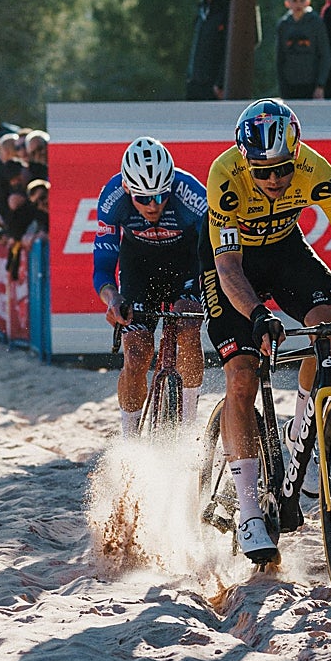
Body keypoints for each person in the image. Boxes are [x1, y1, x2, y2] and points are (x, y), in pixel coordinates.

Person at [200, 99, 331, 563]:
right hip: (232, 264)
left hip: (285, 249)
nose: (274, 180)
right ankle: (251, 513)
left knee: (329, 327)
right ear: (245, 160)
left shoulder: (317, 170)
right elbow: (229, 267)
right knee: (242, 374)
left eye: (282, 169)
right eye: (263, 171)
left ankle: (301, 433)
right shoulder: (225, 175)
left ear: (297, 153)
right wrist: (256, 313)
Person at [93, 137, 208, 439]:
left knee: (189, 328)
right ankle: (130, 441)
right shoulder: (112, 197)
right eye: (143, 198)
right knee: (136, 354)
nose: (153, 205)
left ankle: (188, 431)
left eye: (160, 195)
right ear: (129, 190)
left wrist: (200, 293)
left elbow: (213, 255)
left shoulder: (192, 194)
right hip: (138, 267)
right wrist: (113, 299)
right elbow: (103, 267)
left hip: (186, 263)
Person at [275, 0, 331, 100]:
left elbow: (325, 54)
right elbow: (280, 58)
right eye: (294, 0)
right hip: (290, 85)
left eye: (302, 0)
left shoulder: (316, 23)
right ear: (287, 3)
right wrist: (282, 87)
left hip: (311, 83)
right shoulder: (283, 25)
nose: (298, 4)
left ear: (307, 2)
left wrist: (320, 85)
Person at [185, 0, 230, 101]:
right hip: (196, 81)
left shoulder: (228, 9)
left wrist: (221, 82)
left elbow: (229, 50)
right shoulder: (202, 9)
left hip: (215, 84)